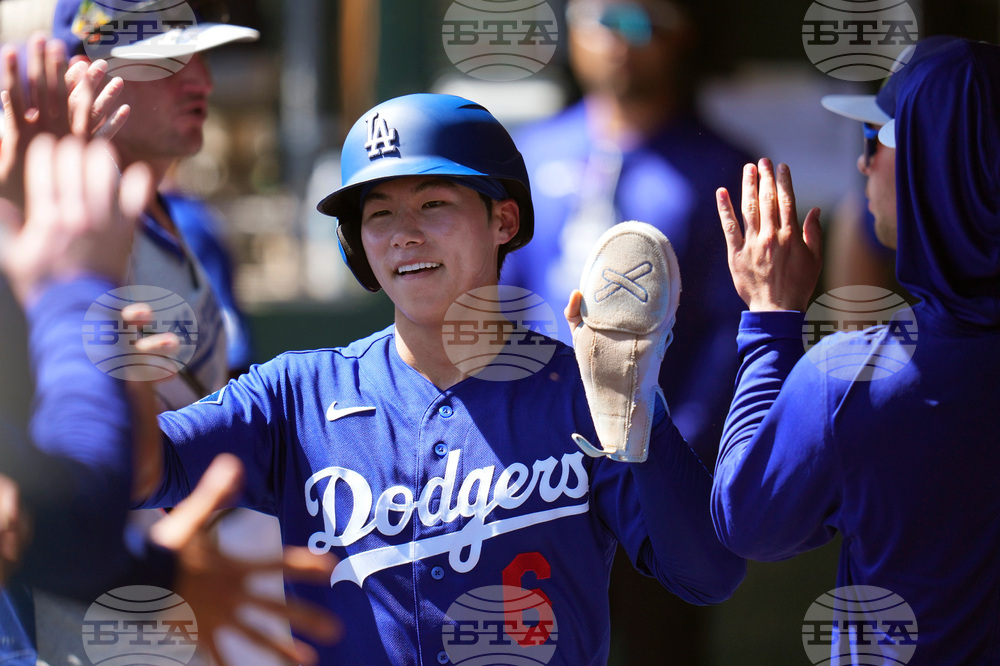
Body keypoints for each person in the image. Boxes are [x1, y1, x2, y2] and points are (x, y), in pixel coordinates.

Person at [139, 92, 746, 664]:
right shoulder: (294, 394)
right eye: (379, 214)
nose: (405, 232)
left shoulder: (585, 393)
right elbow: (148, 471)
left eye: (433, 204)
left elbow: (706, 575)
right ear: (358, 245)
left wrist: (642, 415)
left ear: (502, 221)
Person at [0, 131, 339, 665]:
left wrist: (144, 574)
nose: (198, 80)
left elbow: (78, 509)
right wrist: (69, 298)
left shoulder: (185, 221)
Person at [713, 36, 1000, 664]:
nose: (864, 163)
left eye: (877, 139)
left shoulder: (851, 381)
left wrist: (769, 317)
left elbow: (747, 520)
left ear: (932, 163)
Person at [501, 1, 751, 659]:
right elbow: (498, 302)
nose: (617, 41)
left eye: (641, 22)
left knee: (659, 645)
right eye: (599, 19)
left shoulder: (723, 167)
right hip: (536, 466)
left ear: (681, 33)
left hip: (657, 468)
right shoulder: (527, 153)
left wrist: (675, 453)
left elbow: (735, 330)